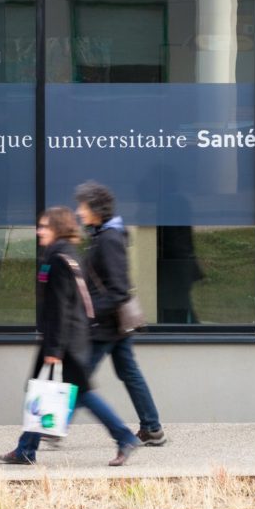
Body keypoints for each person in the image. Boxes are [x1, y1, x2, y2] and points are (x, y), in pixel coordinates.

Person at [0, 207, 140, 466]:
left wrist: (54, 348)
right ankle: (25, 449)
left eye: (44, 226)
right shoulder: (66, 254)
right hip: (65, 337)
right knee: (40, 390)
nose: (38, 230)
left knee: (80, 394)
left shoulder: (59, 259)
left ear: (57, 228)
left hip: (63, 340)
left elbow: (61, 306)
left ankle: (124, 437)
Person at [75, 180, 167, 446]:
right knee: (129, 372)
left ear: (95, 208)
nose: (79, 211)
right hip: (113, 325)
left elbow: (118, 291)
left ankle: (50, 427)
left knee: (77, 377)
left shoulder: (109, 239)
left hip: (106, 326)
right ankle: (152, 428)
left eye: (82, 206)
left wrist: (90, 313)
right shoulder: (102, 235)